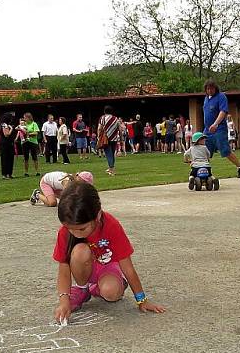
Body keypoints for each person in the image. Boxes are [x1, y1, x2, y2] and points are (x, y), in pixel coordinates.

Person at [51, 180, 165, 323]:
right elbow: (64, 269)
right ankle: (82, 289)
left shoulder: (111, 225)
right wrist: (64, 301)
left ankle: (99, 288)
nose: (75, 234)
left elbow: (128, 267)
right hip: (84, 269)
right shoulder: (66, 232)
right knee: (80, 250)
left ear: (98, 216)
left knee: (111, 293)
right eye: (69, 228)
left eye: (81, 229)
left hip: (108, 269)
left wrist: (142, 300)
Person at [203, 79, 240, 178]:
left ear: (215, 88)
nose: (209, 91)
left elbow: (223, 111)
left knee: (225, 150)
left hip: (219, 129)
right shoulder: (206, 99)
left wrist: (216, 124)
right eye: (207, 89)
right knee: (204, 152)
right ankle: (205, 172)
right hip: (207, 130)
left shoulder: (221, 96)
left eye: (211, 89)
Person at [97, 105, 120, 176]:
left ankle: (112, 170)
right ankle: (111, 168)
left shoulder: (102, 118)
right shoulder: (116, 119)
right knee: (112, 154)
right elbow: (119, 128)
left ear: (104, 111)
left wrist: (98, 137)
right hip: (114, 138)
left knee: (108, 155)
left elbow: (99, 128)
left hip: (105, 139)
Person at [19, 112, 41, 177]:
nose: (24, 119)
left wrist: (28, 133)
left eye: (25, 117)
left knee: (34, 157)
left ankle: (37, 171)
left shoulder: (34, 124)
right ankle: (26, 172)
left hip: (33, 142)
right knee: (26, 158)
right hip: (25, 142)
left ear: (28, 117)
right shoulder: (23, 124)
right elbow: (19, 130)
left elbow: (36, 132)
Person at [0, 113, 17, 179]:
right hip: (5, 144)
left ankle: (9, 173)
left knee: (11, 158)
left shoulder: (6, 124)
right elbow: (6, 134)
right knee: (5, 159)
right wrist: (11, 129)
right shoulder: (4, 125)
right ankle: (5, 174)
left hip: (9, 143)